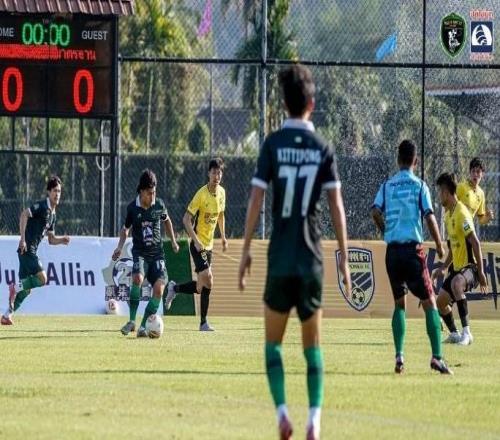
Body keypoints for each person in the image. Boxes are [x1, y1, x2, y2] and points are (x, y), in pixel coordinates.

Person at [238, 65, 351, 440]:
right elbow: (336, 206)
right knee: (312, 347)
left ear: (284, 104)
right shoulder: (323, 148)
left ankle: (283, 413)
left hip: (280, 259)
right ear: (311, 104)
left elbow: (256, 198)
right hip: (311, 260)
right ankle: (314, 420)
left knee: (272, 345)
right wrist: (344, 257)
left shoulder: (272, 144)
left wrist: (246, 249)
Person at [371, 141, 452, 375]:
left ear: (398, 159)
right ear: (416, 161)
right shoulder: (420, 185)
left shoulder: (387, 185)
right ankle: (437, 358)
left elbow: (375, 211)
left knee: (399, 303)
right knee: (430, 303)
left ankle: (399, 356)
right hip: (412, 252)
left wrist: (385, 229)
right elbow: (429, 217)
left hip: (392, 253)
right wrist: (440, 245)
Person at [112, 169, 179, 337]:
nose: (153, 196)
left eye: (154, 192)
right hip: (140, 253)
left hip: (157, 254)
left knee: (159, 290)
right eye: (150, 193)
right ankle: (132, 321)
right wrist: (119, 247)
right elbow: (125, 229)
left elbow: (167, 221)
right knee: (137, 279)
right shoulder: (132, 208)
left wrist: (173, 241)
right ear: (141, 191)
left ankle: (142, 327)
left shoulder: (159, 205)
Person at [164, 158, 227, 331]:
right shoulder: (201, 194)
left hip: (209, 247)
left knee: (200, 287)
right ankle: (203, 323)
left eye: (219, 173)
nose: (216, 176)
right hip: (198, 245)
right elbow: (186, 219)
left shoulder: (222, 193)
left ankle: (174, 288)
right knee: (209, 279)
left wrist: (223, 237)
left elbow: (221, 215)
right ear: (208, 174)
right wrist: (197, 241)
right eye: (214, 172)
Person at [2, 176, 70, 325]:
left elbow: (51, 239)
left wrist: (61, 240)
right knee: (42, 279)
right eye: (54, 191)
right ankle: (14, 287)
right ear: (49, 192)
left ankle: (7, 315)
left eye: (59, 191)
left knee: (26, 290)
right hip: (27, 249)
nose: (57, 194)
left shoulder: (53, 215)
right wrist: (22, 239)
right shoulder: (42, 206)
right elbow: (24, 214)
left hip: (27, 251)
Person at [433, 172, 488, 346]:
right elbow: (453, 247)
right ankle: (455, 333)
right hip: (457, 269)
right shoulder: (448, 216)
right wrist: (444, 267)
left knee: (457, 283)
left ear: (446, 192)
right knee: (440, 302)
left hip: (471, 268)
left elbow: (475, 243)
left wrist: (481, 272)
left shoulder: (462, 213)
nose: (439, 195)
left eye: (440, 191)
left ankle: (467, 333)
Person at [456, 157, 494, 224]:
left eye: (478, 171)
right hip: (457, 224)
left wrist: (488, 218)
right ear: (470, 172)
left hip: (467, 226)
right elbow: (450, 205)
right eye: (473, 171)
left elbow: (481, 220)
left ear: (482, 174)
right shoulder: (461, 187)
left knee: (469, 228)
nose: (475, 174)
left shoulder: (481, 194)